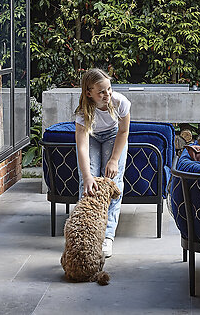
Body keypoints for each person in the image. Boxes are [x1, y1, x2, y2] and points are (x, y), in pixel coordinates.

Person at [74, 68, 131, 257]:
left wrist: (114, 160)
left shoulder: (120, 102)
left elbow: (123, 132)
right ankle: (87, 230)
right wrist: (88, 176)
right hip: (91, 137)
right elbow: (82, 146)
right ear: (89, 93)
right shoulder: (83, 111)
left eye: (109, 89)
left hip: (114, 136)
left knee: (112, 182)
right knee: (88, 181)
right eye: (101, 92)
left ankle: (107, 236)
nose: (107, 94)